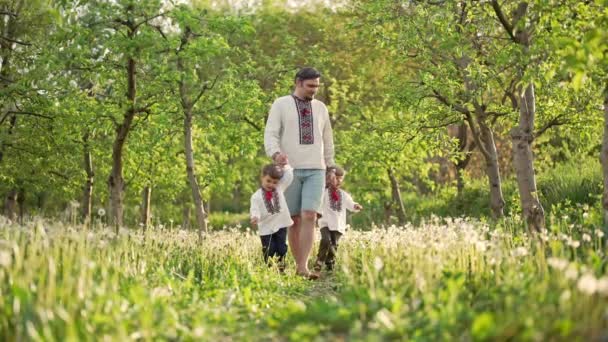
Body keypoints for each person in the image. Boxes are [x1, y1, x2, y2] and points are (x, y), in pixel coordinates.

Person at [264, 67, 335, 279]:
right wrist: (275, 154)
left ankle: (303, 266)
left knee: (309, 215)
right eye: (310, 86)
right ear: (298, 82)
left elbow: (328, 140)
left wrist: (330, 166)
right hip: (290, 170)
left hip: (316, 168)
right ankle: (298, 264)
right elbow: (271, 133)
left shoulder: (321, 108)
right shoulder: (281, 104)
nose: (314, 90)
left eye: (317, 86)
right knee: (294, 218)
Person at [314, 166, 363, 272]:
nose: (338, 181)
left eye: (340, 178)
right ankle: (319, 260)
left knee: (334, 244)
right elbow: (317, 204)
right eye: (336, 178)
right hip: (325, 222)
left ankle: (330, 261)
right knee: (326, 240)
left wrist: (355, 206)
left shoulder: (344, 195)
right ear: (329, 178)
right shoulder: (324, 193)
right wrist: (316, 213)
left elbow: (350, 204)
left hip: (338, 224)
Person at [250, 163, 294, 271]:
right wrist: (255, 216)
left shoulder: (279, 189)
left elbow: (289, 175)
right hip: (266, 227)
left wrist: (285, 164)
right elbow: (254, 208)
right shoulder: (256, 196)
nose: (271, 184)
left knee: (282, 248)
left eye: (275, 182)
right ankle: (269, 269)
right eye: (268, 181)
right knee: (269, 250)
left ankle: (281, 268)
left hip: (280, 224)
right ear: (262, 178)